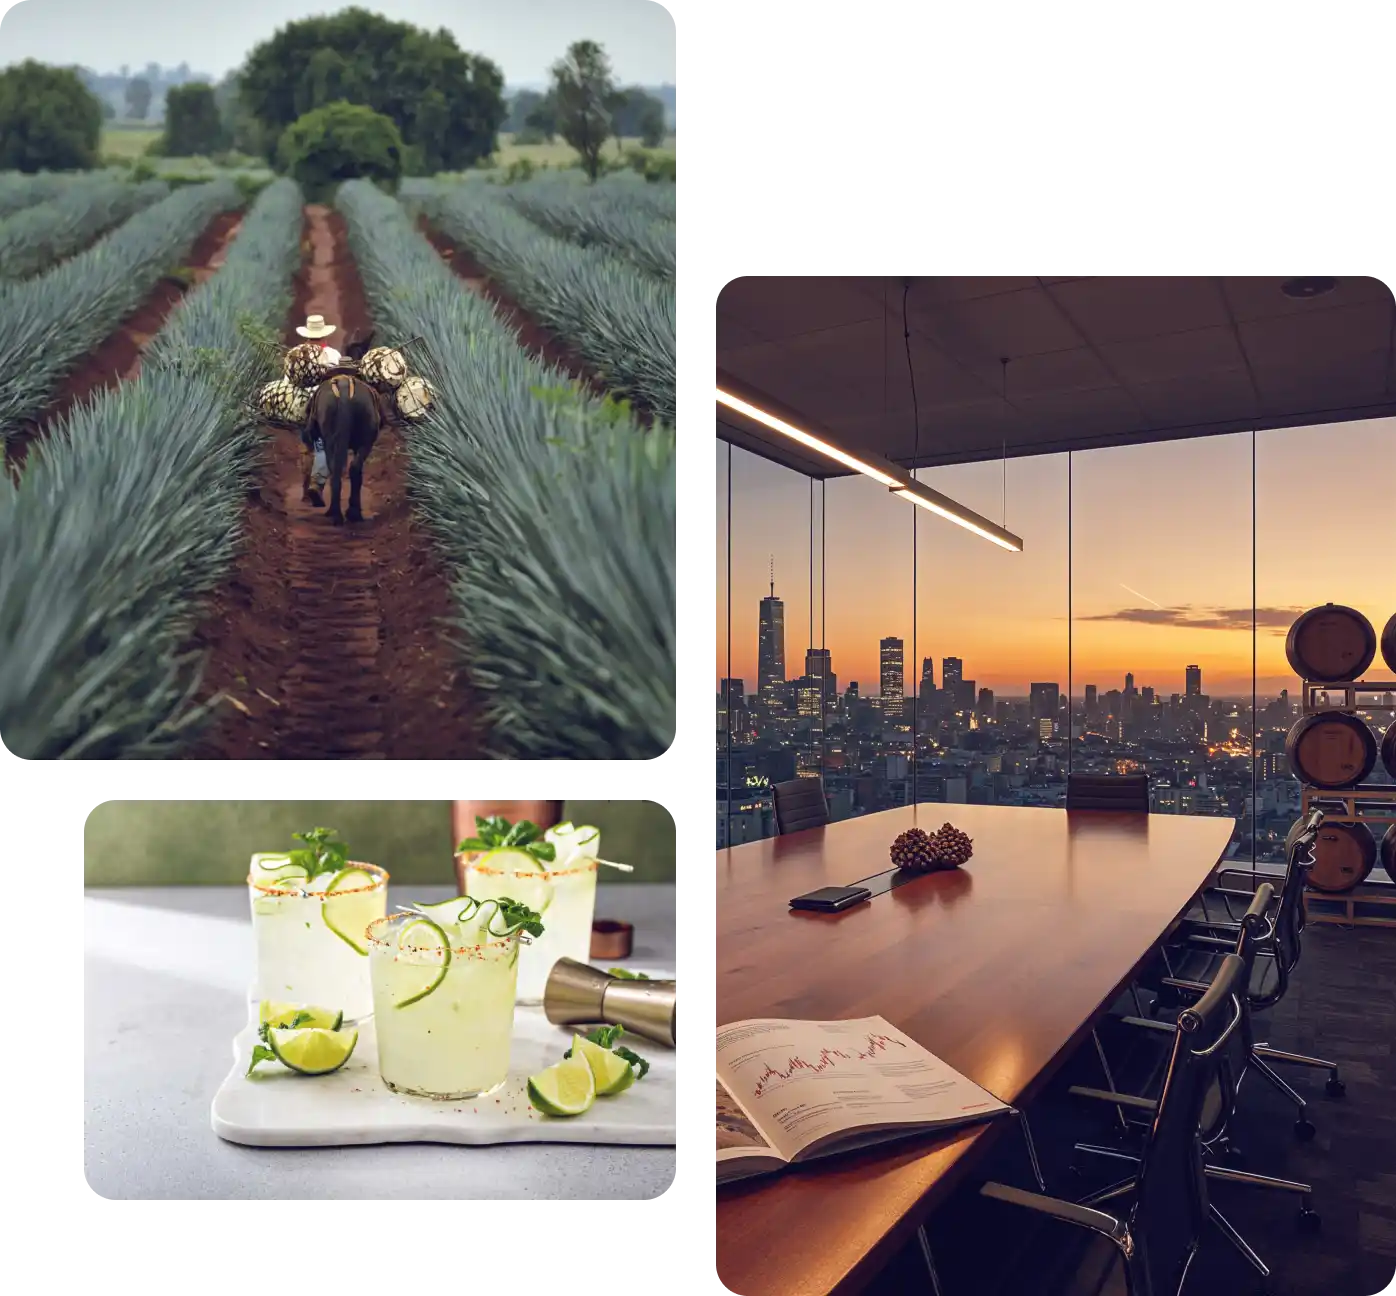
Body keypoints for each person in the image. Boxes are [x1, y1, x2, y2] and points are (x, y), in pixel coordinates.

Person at [294, 315, 340, 498]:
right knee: (322, 445)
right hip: (328, 407)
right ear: (325, 336)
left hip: (303, 404)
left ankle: (307, 485)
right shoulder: (334, 355)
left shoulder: (296, 354)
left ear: (307, 336)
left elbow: (288, 382)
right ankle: (317, 482)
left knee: (307, 445)